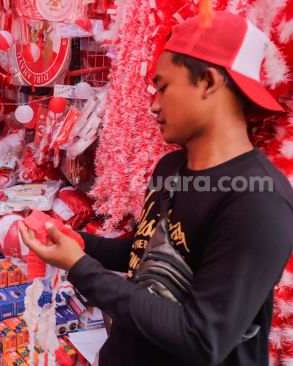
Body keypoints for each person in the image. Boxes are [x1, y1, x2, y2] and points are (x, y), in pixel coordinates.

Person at [19, 11, 293, 366]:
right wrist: (82, 243)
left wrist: (81, 267)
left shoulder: (257, 201)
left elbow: (201, 338)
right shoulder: (170, 168)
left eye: (163, 87)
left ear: (208, 82)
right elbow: (146, 255)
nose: (153, 104)